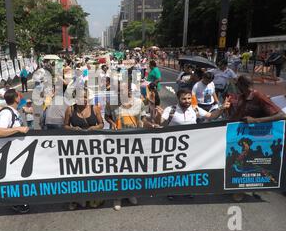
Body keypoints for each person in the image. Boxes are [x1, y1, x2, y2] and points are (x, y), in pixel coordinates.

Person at [105, 83, 147, 211]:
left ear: (129, 90)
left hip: (134, 142)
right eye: (118, 91)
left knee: (132, 169)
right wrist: (112, 123)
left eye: (122, 90)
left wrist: (144, 124)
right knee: (118, 170)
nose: (120, 93)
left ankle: (130, 194)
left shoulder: (139, 102)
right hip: (117, 141)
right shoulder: (111, 103)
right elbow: (107, 116)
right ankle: (117, 197)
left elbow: (143, 117)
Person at [64, 89, 104, 210]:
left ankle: (95, 197)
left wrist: (95, 127)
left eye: (86, 97)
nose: (85, 100)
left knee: (94, 172)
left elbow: (101, 124)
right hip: (76, 147)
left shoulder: (94, 108)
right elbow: (65, 126)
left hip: (93, 146)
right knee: (76, 173)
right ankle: (76, 198)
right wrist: (73, 129)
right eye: (82, 98)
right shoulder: (70, 110)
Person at [0, 89, 30, 214]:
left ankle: (20, 200)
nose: (21, 97)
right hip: (10, 152)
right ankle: (17, 202)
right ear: (16, 99)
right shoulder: (7, 113)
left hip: (17, 151)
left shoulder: (14, 111)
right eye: (19, 95)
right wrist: (19, 129)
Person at [157, 89, 230, 127]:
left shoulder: (195, 108)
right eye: (184, 99)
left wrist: (221, 107)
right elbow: (159, 122)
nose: (187, 101)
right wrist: (159, 115)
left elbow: (212, 116)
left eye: (189, 98)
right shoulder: (170, 109)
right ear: (178, 99)